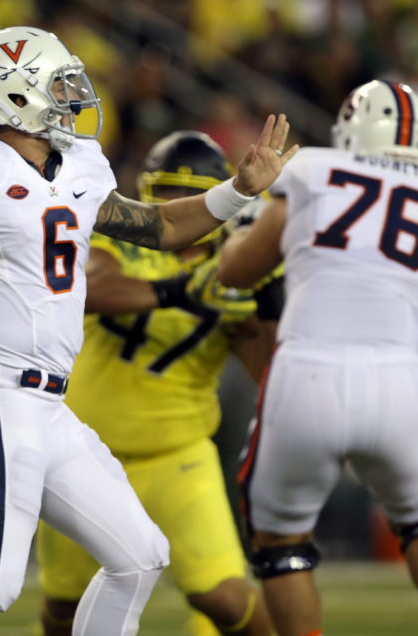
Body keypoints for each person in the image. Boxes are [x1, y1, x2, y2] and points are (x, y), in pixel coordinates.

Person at [0, 26, 296, 636]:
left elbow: (159, 228)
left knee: (140, 557)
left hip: (49, 404)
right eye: (59, 83)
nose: (74, 94)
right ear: (18, 95)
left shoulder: (79, 163)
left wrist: (239, 191)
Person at [217, 79, 418, 636]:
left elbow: (235, 273)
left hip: (305, 373)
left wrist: (234, 237)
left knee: (281, 544)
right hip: (398, 380)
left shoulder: (312, 170)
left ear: (348, 130)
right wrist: (399, 355)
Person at [35, 130, 280, 636]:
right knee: (65, 607)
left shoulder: (232, 267)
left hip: (177, 453)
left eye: (185, 192)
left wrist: (266, 306)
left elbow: (264, 372)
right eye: (165, 192)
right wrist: (181, 290)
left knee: (227, 599)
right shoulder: (116, 240)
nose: (177, 205)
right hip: (83, 454)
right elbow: (92, 288)